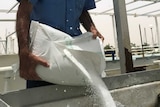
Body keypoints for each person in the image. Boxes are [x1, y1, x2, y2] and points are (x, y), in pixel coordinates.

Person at [16, 0, 104, 88]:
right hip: (44, 55)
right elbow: (24, 10)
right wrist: (24, 52)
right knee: (42, 97)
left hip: (74, 53)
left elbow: (82, 10)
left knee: (78, 97)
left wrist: (92, 28)